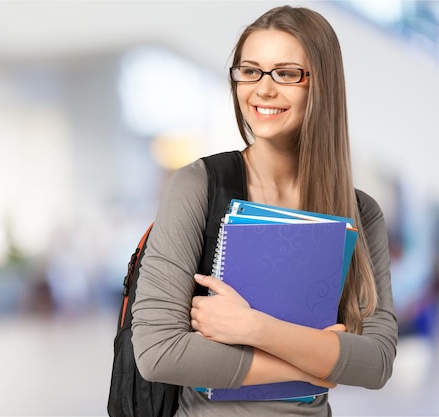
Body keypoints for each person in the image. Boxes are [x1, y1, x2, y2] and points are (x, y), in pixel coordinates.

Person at [130, 5, 398, 417]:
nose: (263, 89)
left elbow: (376, 362)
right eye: (250, 71)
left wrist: (254, 327)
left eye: (287, 73)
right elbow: (159, 352)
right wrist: (318, 365)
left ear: (321, 85)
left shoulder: (361, 212)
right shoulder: (199, 185)